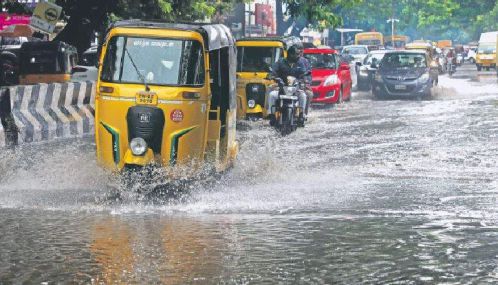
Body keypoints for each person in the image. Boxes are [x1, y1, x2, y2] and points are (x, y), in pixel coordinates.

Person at [267, 45, 308, 125]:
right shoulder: (280, 62)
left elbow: (304, 74)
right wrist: (271, 75)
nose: (299, 56)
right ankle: (272, 115)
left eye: (299, 54)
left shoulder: (300, 63)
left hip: (295, 89)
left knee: (303, 95)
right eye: (297, 54)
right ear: (290, 54)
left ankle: (301, 115)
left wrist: (304, 79)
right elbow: (273, 70)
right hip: (282, 88)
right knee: (272, 95)